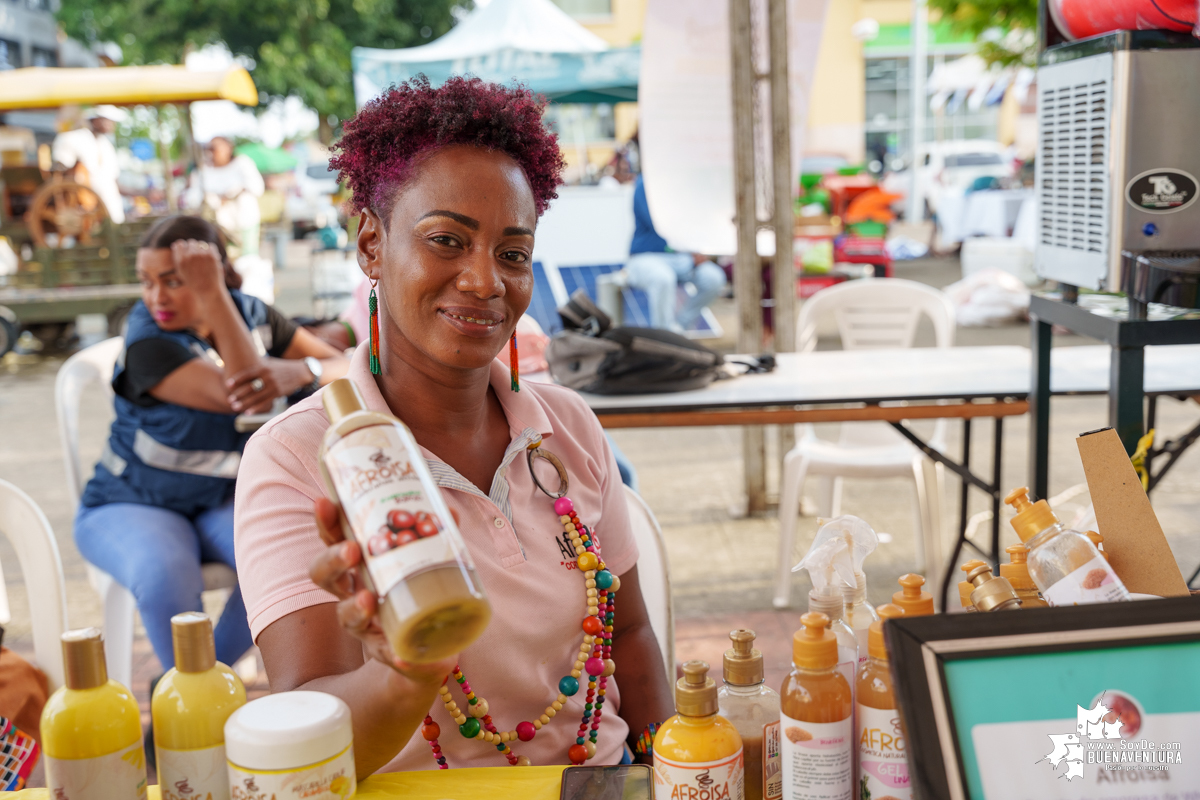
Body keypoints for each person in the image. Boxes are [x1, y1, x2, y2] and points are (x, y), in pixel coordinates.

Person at [234, 76, 673, 778]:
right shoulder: (296, 458)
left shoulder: (567, 427)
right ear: (371, 246)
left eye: (512, 252)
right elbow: (308, 742)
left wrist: (669, 777)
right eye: (447, 240)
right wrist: (405, 675)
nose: (484, 282)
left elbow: (635, 636)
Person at [74, 215, 349, 676]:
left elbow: (348, 365)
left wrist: (307, 371)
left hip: (220, 498)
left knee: (297, 555)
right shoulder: (149, 340)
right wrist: (215, 297)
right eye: (147, 282)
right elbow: (247, 390)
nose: (156, 297)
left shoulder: (253, 314)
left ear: (212, 275)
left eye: (174, 281)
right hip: (131, 501)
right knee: (167, 572)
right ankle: (197, 696)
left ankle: (188, 691)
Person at [623, 174, 726, 331]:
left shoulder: (683, 183)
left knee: (713, 277)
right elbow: (661, 224)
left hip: (681, 258)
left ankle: (680, 329)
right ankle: (664, 335)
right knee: (663, 277)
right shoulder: (645, 183)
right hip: (646, 257)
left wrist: (698, 249)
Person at [187, 136, 265, 255]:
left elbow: (257, 188)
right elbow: (193, 197)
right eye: (209, 148)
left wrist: (230, 196)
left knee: (246, 257)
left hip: (243, 219)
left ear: (229, 148)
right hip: (215, 222)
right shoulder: (202, 170)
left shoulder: (242, 163)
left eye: (215, 148)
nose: (212, 152)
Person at [51, 106, 126, 224]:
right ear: (96, 121)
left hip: (106, 204)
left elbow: (113, 178)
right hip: (82, 201)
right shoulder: (72, 138)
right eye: (108, 121)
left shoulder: (106, 145)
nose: (111, 125)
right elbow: (62, 169)